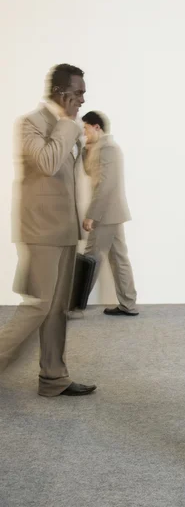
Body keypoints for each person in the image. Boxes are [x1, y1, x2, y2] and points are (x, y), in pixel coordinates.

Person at [1, 64, 96, 397]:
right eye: (79, 92)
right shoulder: (31, 123)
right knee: (39, 306)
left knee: (58, 308)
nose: (83, 99)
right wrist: (69, 125)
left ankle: (53, 378)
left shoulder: (68, 127)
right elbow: (47, 163)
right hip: (41, 229)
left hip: (67, 228)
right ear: (62, 92)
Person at [81, 111, 138, 316]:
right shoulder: (99, 148)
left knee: (90, 259)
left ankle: (73, 307)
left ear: (97, 127)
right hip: (112, 213)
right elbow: (91, 173)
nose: (84, 133)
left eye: (86, 129)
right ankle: (128, 304)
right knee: (119, 258)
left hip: (106, 214)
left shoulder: (108, 149)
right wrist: (86, 150)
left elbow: (105, 185)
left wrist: (92, 215)